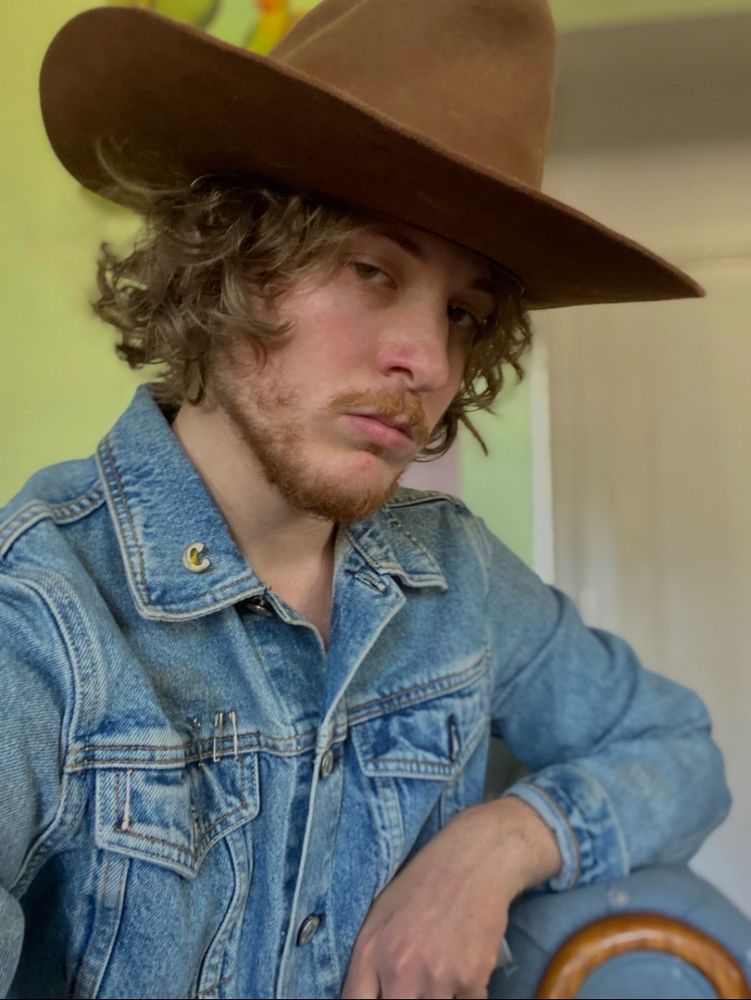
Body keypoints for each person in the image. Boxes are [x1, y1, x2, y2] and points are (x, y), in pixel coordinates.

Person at [1, 1, 749, 998]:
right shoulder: (40, 617)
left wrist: (495, 845)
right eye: (369, 268)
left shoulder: (455, 576)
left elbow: (675, 749)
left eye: (461, 311)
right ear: (226, 262)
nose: (430, 360)